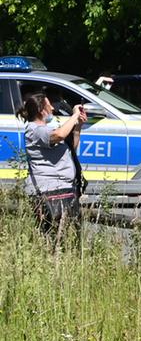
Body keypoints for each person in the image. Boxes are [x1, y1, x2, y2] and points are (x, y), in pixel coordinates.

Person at [18, 92, 87, 241]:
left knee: (67, 240)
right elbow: (60, 135)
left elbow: (70, 148)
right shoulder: (35, 130)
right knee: (52, 239)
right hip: (49, 192)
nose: (53, 109)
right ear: (42, 110)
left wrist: (78, 126)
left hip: (63, 189)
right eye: (49, 105)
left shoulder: (49, 128)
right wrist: (74, 115)